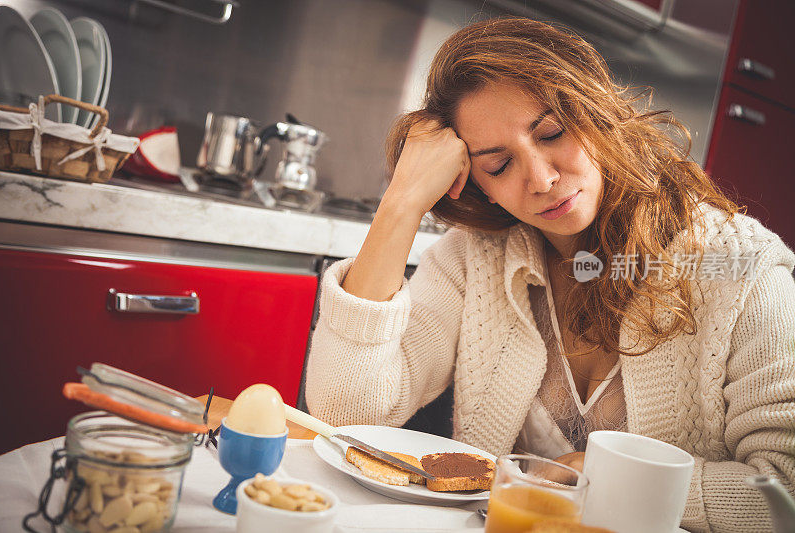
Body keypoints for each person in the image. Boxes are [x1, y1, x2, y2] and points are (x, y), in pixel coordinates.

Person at [304, 17, 795, 533]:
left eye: (553, 133)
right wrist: (401, 202)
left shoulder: (742, 269)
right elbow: (347, 411)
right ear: (476, 183)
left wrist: (613, 478)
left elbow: (782, 491)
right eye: (498, 165)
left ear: (597, 110)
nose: (541, 179)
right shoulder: (475, 259)